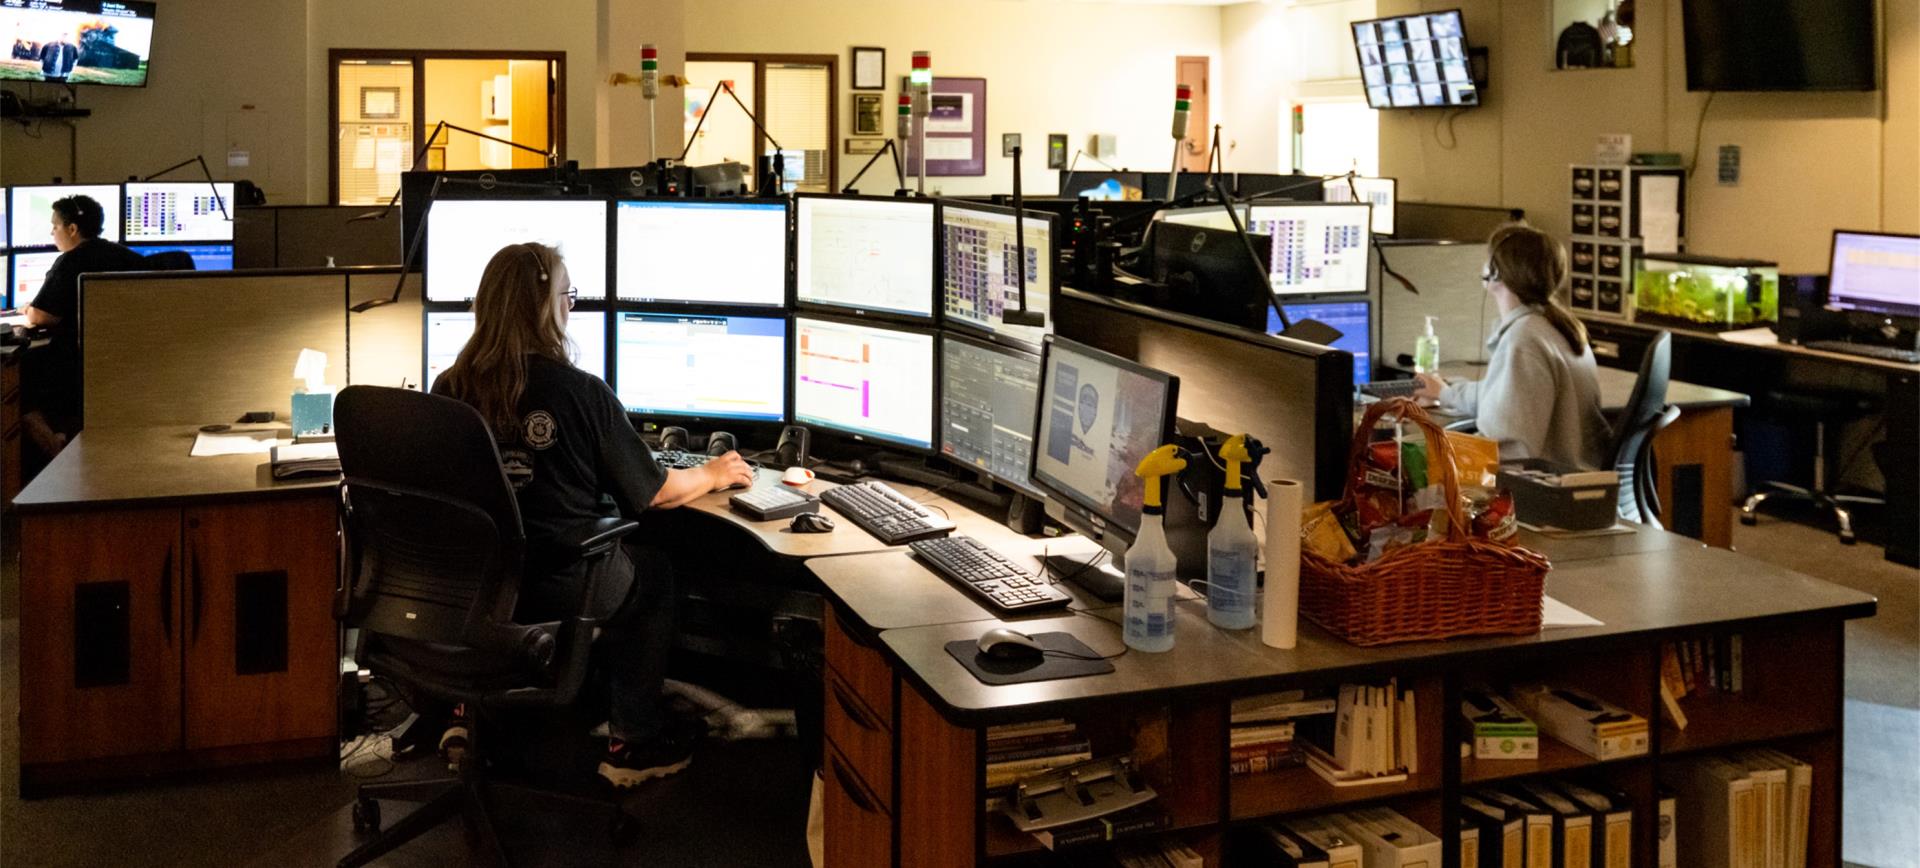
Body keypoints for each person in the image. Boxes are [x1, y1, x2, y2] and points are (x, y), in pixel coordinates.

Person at [431, 242, 754, 788]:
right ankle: (634, 742)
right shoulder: (581, 393)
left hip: (473, 590)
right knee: (653, 576)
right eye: (567, 294)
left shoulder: (449, 388)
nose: (571, 306)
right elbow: (658, 493)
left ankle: (466, 712)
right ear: (545, 307)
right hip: (559, 584)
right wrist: (714, 472)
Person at [1413, 224, 1611, 469]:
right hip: (1570, 478)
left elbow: (1510, 450)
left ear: (1495, 272)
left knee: (1410, 463)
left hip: (1542, 485)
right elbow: (1508, 398)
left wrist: (1437, 453)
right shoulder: (1554, 326)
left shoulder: (1524, 340)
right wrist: (1445, 392)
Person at [19, 195, 146, 466]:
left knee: (20, 393)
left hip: (75, 367)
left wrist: (27, 309)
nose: (52, 233)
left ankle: (56, 452)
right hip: (129, 364)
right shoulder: (125, 255)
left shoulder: (69, 262)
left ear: (72, 229)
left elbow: (44, 315)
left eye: (55, 226)